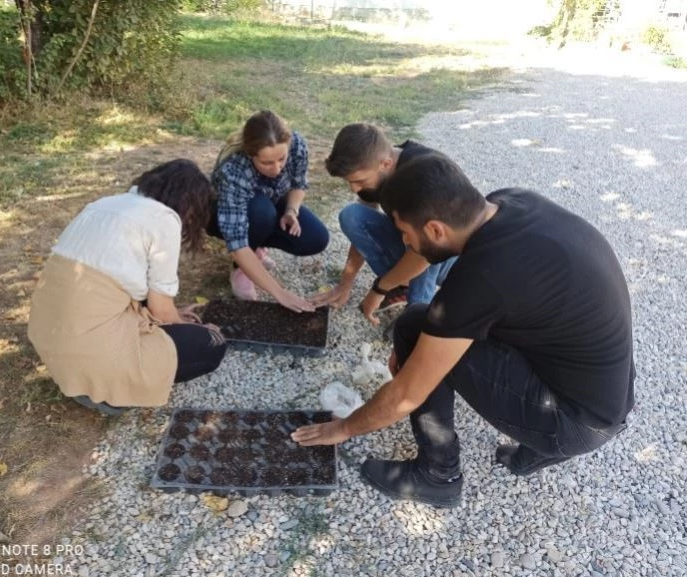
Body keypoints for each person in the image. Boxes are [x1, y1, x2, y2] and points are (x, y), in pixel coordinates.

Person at [292, 154, 635, 508]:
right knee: (450, 330)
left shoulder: (479, 281)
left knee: (413, 325)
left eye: (407, 236)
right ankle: (534, 451)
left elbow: (406, 395)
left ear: (436, 229)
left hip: (576, 420)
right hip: (611, 395)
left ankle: (438, 476)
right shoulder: (510, 201)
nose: (407, 246)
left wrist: (343, 428)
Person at [28, 160, 228, 416]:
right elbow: (162, 311)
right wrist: (193, 326)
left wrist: (175, 313)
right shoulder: (164, 218)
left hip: (52, 342)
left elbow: (114, 283)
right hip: (92, 354)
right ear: (190, 206)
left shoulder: (101, 205)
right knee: (212, 346)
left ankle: (87, 378)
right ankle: (111, 392)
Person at [313, 123, 458, 325]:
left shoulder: (422, 181)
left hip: (453, 260)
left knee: (423, 245)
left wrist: (379, 289)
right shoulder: (375, 165)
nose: (354, 189)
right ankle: (402, 287)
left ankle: (417, 319)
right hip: (418, 245)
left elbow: (426, 254)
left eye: (360, 181)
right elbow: (363, 230)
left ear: (386, 164)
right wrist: (345, 283)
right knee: (352, 216)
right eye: (350, 182)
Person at [208, 110, 329, 312]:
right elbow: (236, 241)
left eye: (282, 159)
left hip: (270, 205)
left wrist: (291, 210)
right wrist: (281, 294)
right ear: (250, 154)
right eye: (267, 163)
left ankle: (257, 245)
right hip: (227, 216)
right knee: (261, 213)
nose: (277, 169)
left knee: (316, 238)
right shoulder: (234, 169)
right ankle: (242, 268)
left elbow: (299, 184)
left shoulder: (296, 144)